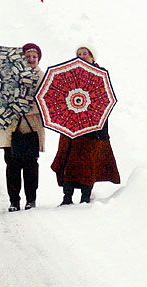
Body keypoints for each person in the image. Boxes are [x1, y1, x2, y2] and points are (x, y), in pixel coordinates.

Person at [51, 46, 121, 205]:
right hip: (71, 128)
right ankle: (67, 196)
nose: (82, 56)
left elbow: (104, 99)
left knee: (88, 163)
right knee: (69, 162)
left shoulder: (100, 74)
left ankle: (85, 196)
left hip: (93, 129)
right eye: (79, 54)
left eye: (85, 54)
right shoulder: (69, 74)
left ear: (92, 57)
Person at [0, 43, 46, 212]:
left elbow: (44, 103)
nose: (31, 59)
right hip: (11, 128)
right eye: (28, 56)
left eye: (34, 57)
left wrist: (25, 106)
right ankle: (14, 200)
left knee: (31, 166)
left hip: (32, 128)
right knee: (12, 167)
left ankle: (31, 199)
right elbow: (1, 98)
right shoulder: (9, 75)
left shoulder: (43, 77)